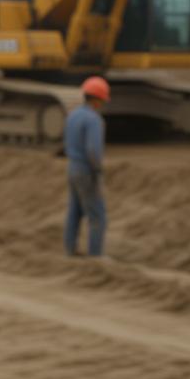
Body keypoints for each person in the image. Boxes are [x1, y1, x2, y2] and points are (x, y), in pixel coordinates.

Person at [64, 76, 110, 258]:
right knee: (97, 216)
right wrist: (98, 169)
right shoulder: (94, 120)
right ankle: (95, 256)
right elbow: (93, 150)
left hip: (72, 168)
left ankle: (70, 250)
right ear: (98, 100)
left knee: (74, 211)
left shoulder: (73, 115)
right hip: (86, 171)